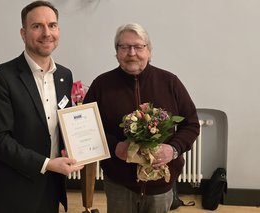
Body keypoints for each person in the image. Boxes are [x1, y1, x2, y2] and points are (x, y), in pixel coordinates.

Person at [83, 23, 200, 213]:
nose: (131, 52)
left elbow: (191, 124)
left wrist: (174, 149)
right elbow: (89, 128)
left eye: (138, 46)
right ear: (116, 52)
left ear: (149, 51)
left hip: (161, 185)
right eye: (124, 47)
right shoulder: (101, 85)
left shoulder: (170, 82)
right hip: (119, 183)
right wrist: (114, 146)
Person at [0, 1, 83, 213]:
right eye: (37, 26)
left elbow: (61, 126)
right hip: (12, 193)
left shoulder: (64, 75)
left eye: (52, 25)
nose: (47, 33)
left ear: (58, 30)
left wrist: (78, 145)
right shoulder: (0, 77)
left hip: (50, 188)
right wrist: (47, 164)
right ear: (23, 33)